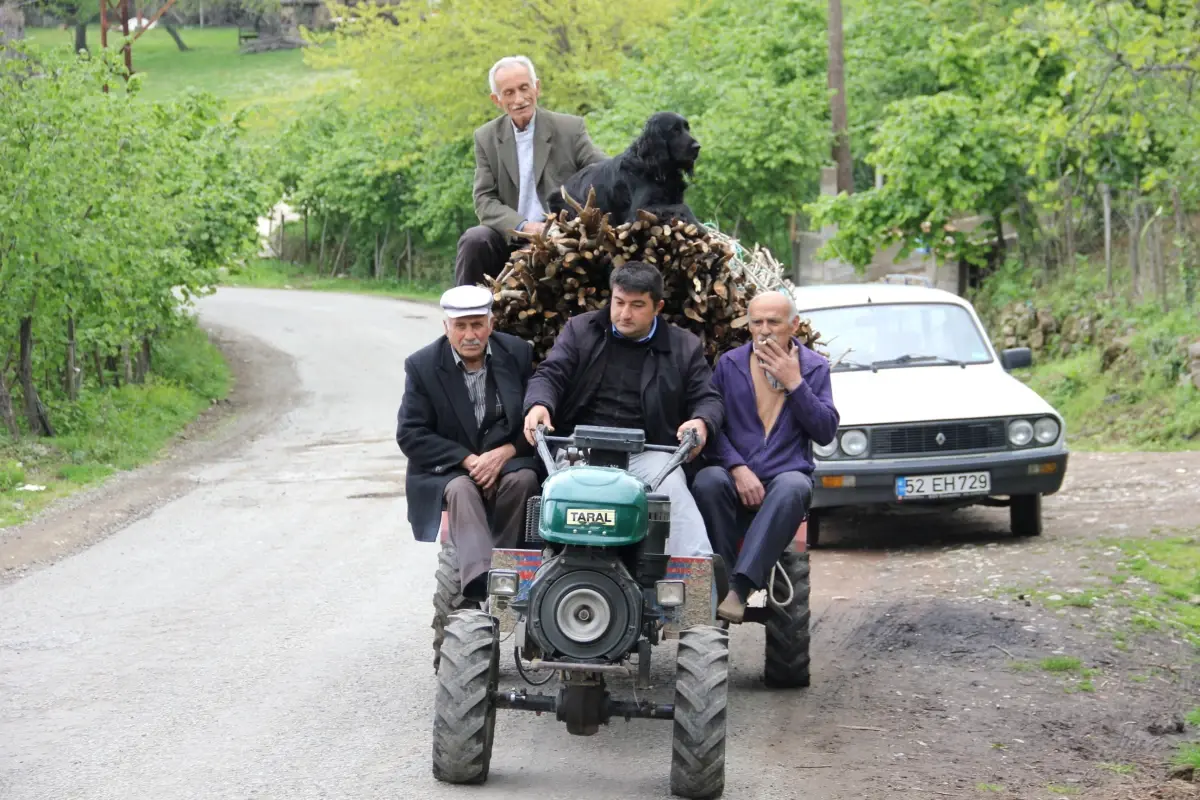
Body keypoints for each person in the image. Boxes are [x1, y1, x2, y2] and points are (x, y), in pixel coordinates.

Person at [521, 261, 723, 557]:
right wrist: (539, 403)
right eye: (619, 303)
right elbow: (550, 374)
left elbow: (709, 398)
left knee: (672, 491)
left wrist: (701, 422)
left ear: (658, 306)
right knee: (561, 497)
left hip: (649, 454)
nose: (624, 314)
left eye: (637, 305)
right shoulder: (581, 330)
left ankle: (695, 578)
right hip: (579, 450)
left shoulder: (684, 346)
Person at [692, 290, 840, 623]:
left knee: (794, 487)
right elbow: (713, 425)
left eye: (773, 322)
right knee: (707, 479)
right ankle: (722, 580)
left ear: (794, 325)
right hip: (735, 476)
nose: (763, 330)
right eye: (756, 322)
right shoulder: (730, 365)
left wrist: (795, 383)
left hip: (783, 478)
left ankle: (739, 589)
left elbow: (825, 430)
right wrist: (736, 466)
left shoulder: (814, 368)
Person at [396, 285, 541, 601]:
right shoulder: (422, 367)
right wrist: (468, 460)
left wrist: (507, 452)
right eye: (460, 326)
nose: (469, 334)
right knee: (461, 490)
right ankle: (479, 583)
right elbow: (411, 433)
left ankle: (509, 569)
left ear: (491, 324)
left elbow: (532, 418)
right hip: (452, 468)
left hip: (509, 461)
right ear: (446, 328)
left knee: (525, 480)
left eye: (477, 324)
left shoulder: (516, 354)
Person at [455, 55, 608, 287]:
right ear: (496, 100)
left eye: (524, 88)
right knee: (474, 240)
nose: (519, 99)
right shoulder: (486, 137)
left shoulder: (569, 128)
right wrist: (525, 226)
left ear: (537, 88)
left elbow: (603, 172)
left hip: (560, 235)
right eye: (508, 93)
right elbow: (484, 199)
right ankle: (465, 316)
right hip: (510, 233)